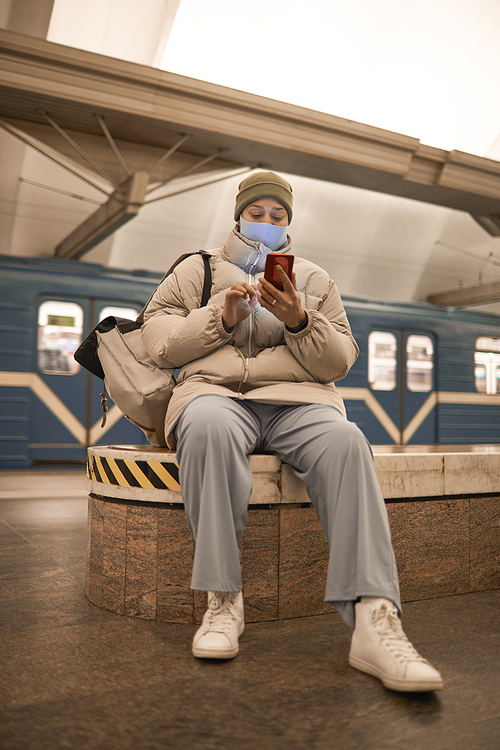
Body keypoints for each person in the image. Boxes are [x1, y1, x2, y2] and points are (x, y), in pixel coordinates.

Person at [142, 171, 443, 693]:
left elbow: (340, 360)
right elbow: (160, 343)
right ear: (238, 216)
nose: (265, 223)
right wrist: (223, 315)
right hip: (215, 396)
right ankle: (222, 601)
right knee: (208, 428)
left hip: (299, 404)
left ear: (288, 224)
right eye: (256, 213)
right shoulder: (198, 270)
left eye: (276, 216)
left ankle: (374, 620)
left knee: (348, 442)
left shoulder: (315, 280)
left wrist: (302, 321)